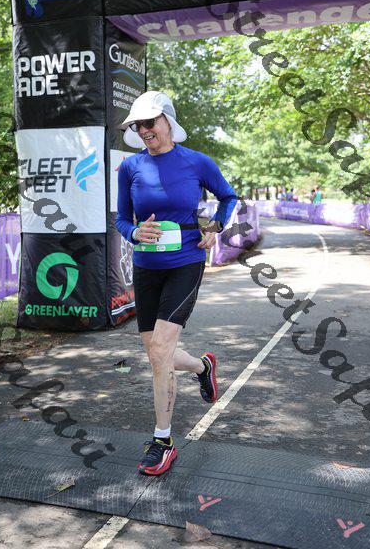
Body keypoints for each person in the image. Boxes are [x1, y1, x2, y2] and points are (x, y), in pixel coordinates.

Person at [116, 91, 238, 476]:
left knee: (160, 351)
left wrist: (215, 226)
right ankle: (202, 367)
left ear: (167, 121)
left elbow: (228, 197)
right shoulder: (130, 167)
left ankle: (163, 441)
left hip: (186, 262)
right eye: (137, 125)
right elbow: (121, 219)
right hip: (146, 267)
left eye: (149, 122)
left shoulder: (197, 162)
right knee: (157, 355)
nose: (143, 130)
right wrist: (133, 232)